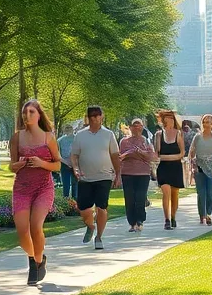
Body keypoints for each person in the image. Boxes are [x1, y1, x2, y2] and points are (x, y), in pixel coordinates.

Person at [8, 99, 62, 286]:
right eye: (25, 112)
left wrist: (41, 163)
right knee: (23, 232)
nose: (27, 115)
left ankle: (37, 263)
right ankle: (34, 257)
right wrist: (19, 164)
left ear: (39, 115)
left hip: (43, 187)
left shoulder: (48, 137)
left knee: (35, 226)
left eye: (31, 111)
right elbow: (11, 167)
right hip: (22, 188)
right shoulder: (16, 137)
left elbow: (57, 165)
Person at [70, 105, 121, 250]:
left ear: (102, 116)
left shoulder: (108, 134)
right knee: (83, 208)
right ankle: (90, 226)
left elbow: (115, 156)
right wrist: (76, 168)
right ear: (88, 117)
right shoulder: (80, 135)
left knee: (101, 207)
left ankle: (99, 237)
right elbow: (74, 155)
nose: (95, 118)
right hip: (85, 177)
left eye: (97, 115)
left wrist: (118, 174)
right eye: (92, 115)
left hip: (104, 176)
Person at [119, 118, 157, 232]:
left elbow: (151, 156)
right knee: (129, 198)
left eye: (139, 125)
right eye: (134, 125)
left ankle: (140, 220)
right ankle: (132, 223)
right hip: (127, 172)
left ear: (142, 127)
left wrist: (139, 153)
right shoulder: (124, 141)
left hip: (143, 173)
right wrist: (135, 154)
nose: (136, 127)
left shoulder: (147, 141)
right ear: (130, 127)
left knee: (140, 197)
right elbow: (122, 156)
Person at [189, 114, 212, 225]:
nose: (206, 124)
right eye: (204, 122)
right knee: (201, 193)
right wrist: (192, 163)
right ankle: (202, 216)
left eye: (208, 122)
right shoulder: (197, 137)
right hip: (199, 167)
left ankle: (208, 213)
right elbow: (191, 151)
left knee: (209, 193)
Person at [153, 110, 186, 230]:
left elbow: (182, 152)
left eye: (171, 118)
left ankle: (173, 217)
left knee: (174, 194)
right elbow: (157, 153)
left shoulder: (178, 134)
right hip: (163, 168)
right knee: (166, 192)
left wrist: (171, 157)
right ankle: (166, 219)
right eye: (167, 119)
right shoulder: (159, 135)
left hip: (176, 167)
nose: (169, 121)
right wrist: (159, 157)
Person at [56, 125, 77, 200]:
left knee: (75, 185)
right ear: (63, 130)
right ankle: (66, 203)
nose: (68, 129)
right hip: (64, 164)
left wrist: (74, 162)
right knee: (66, 185)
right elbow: (57, 154)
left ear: (73, 129)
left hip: (76, 164)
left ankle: (75, 204)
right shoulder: (59, 141)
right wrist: (66, 162)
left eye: (69, 127)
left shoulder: (77, 139)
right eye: (66, 128)